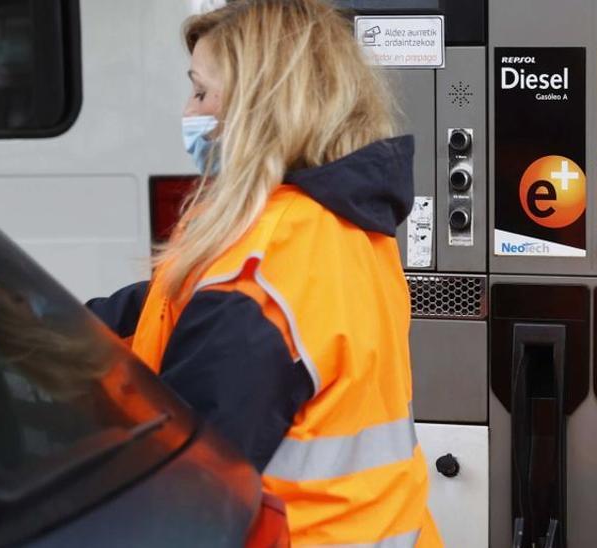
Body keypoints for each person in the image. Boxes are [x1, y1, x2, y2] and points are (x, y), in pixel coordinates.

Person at [86, 1, 441, 545]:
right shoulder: (336, 222)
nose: (188, 111)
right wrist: (38, 326)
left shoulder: (258, 277)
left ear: (263, 107)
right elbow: (163, 304)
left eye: (202, 92)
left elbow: (183, 504)